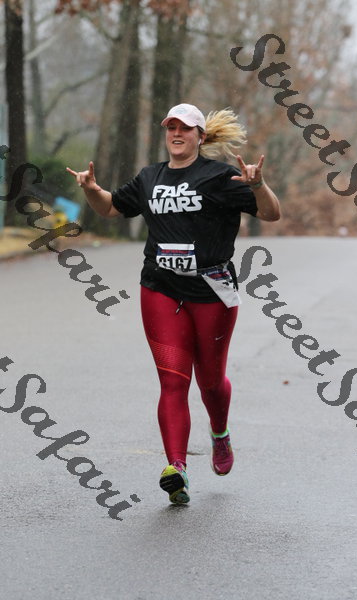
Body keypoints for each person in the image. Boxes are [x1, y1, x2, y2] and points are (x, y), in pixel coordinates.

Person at [67, 103, 280, 505]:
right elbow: (111, 207)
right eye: (171, 128)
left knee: (210, 381)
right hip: (160, 288)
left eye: (185, 128)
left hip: (212, 290)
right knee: (172, 381)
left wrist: (257, 186)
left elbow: (272, 214)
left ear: (201, 136)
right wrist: (91, 189)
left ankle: (220, 433)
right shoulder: (151, 177)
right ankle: (176, 468)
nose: (177, 134)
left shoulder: (220, 177)